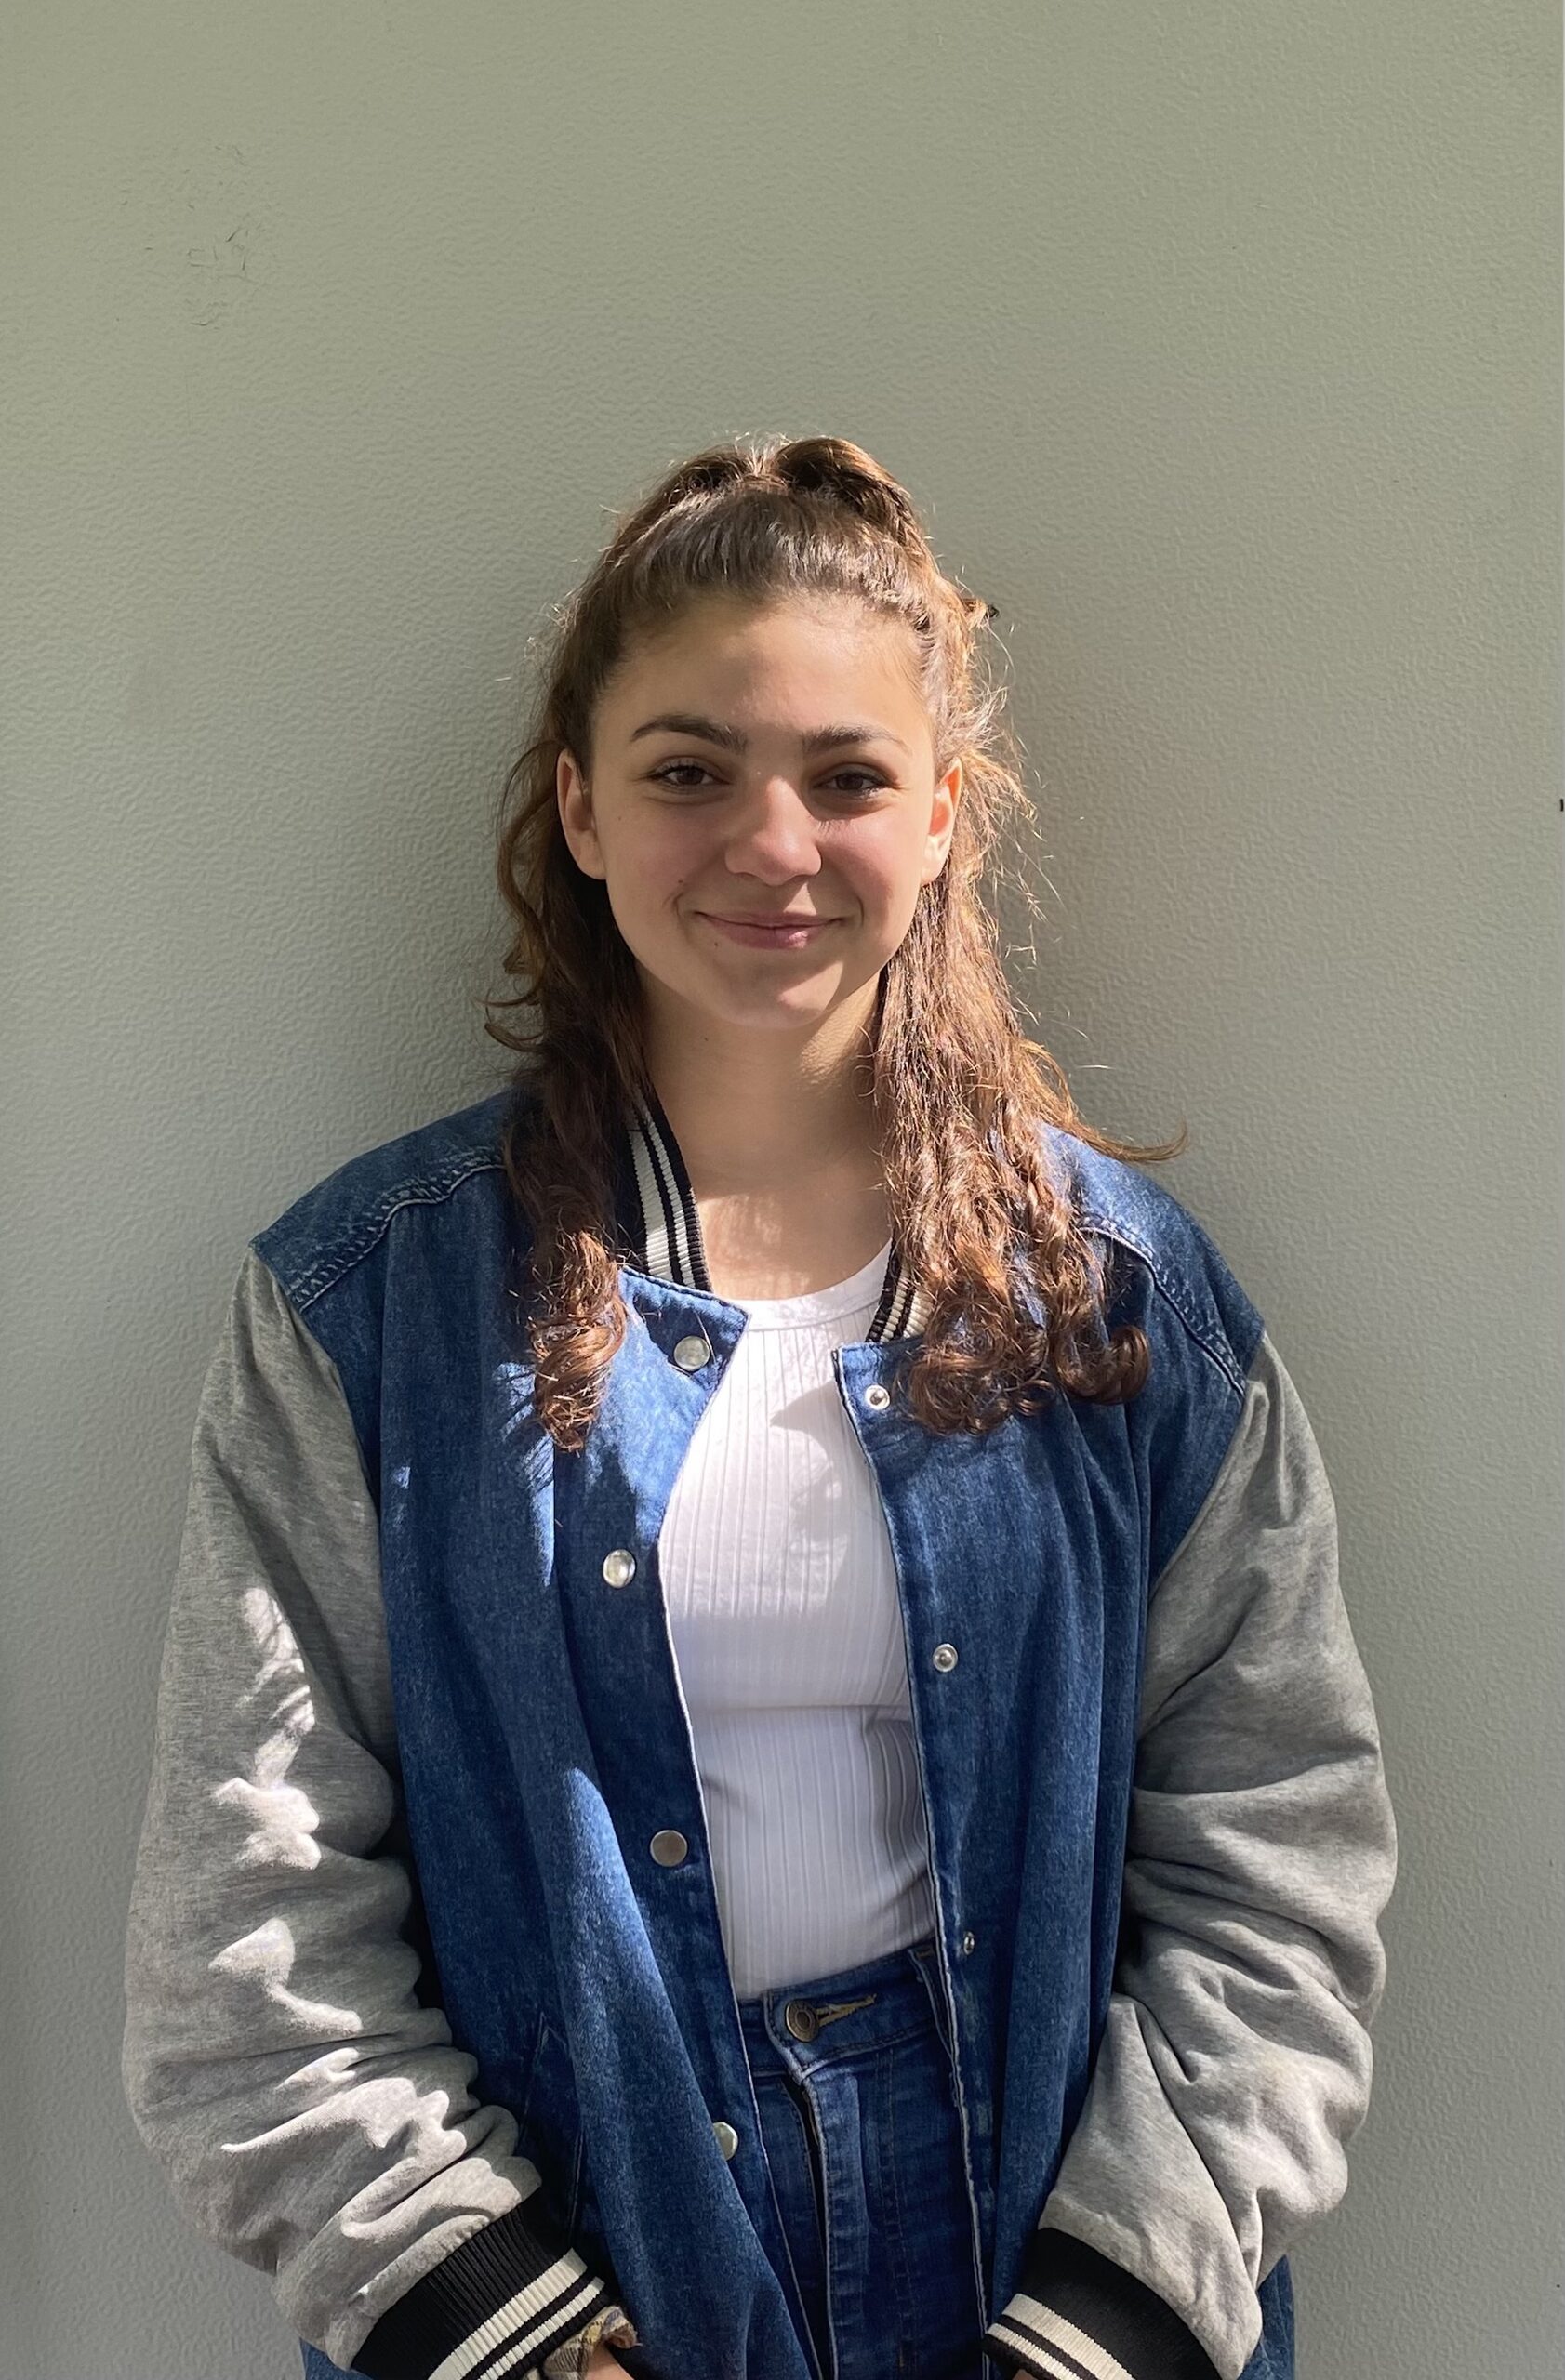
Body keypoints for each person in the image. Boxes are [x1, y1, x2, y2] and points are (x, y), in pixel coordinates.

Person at [122, 434, 1398, 2380]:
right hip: (565, 2275)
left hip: (1049, 2276)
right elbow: (250, 1925)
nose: (772, 844)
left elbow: (1275, 1860)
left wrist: (1105, 2317)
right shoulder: (365, 1308)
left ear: (943, 814)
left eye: (848, 776)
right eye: (688, 770)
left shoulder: (1124, 1305)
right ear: (578, 803)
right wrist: (508, 2326)